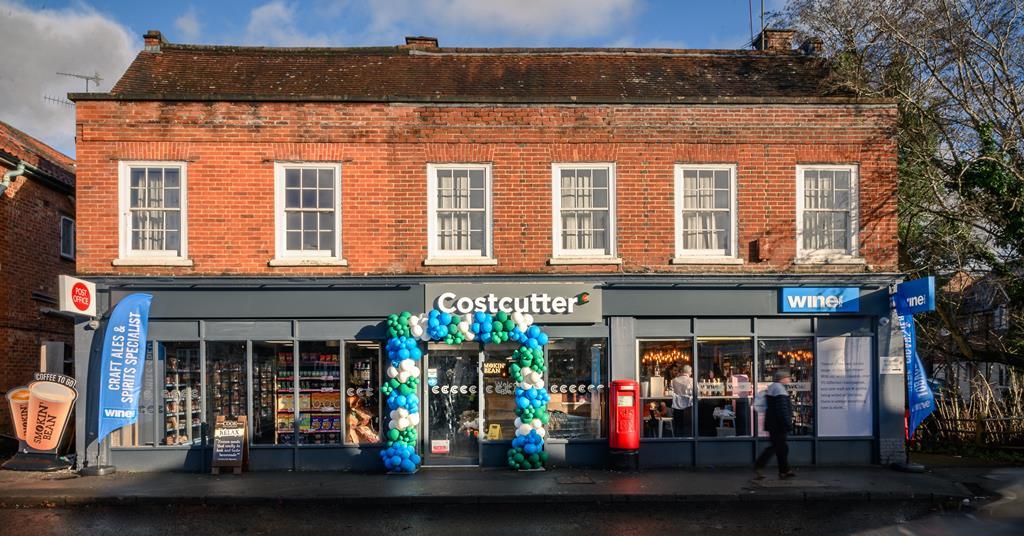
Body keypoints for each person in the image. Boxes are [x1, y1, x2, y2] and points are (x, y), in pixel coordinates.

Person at [754, 368, 797, 479]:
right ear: (782, 378)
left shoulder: (774, 387)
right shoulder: (779, 389)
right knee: (776, 447)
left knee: (782, 447)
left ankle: (784, 470)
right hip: (778, 424)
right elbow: (782, 409)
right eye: (787, 377)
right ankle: (759, 465)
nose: (789, 379)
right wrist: (788, 423)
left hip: (774, 423)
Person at [670, 364, 694, 437]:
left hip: (676, 406)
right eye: (691, 372)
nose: (692, 373)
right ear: (689, 372)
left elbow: (670, 392)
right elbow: (697, 392)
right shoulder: (692, 380)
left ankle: (677, 439)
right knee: (688, 426)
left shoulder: (673, 380)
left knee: (678, 425)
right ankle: (688, 438)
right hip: (689, 406)